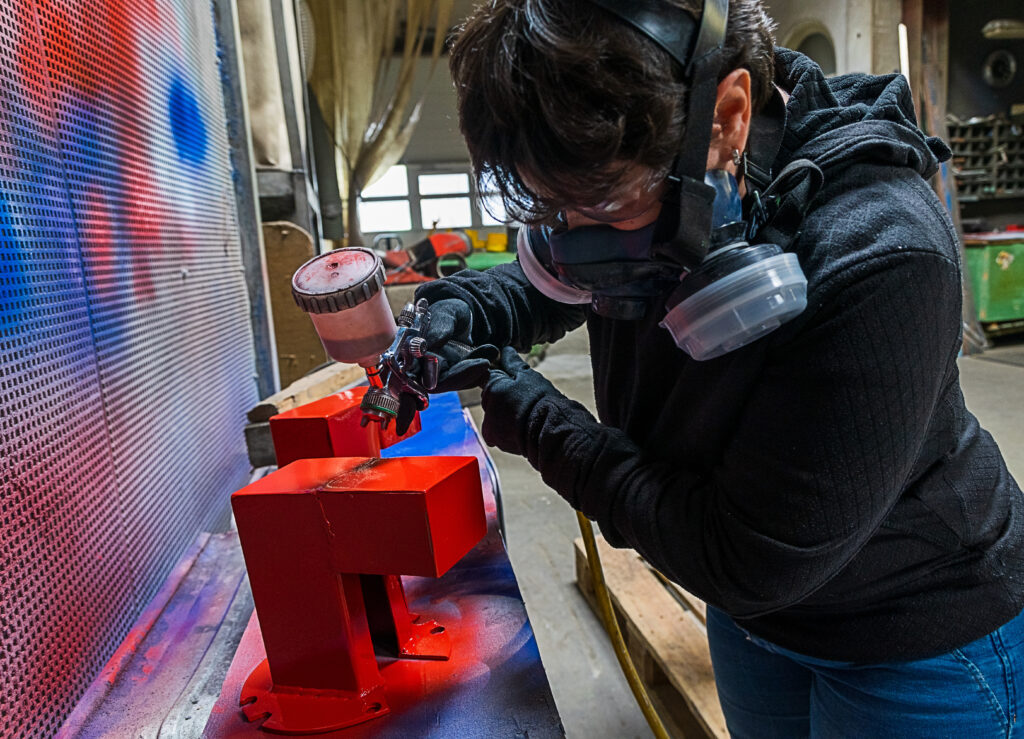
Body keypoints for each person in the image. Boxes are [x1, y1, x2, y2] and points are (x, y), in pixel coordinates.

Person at [411, 0, 1024, 735]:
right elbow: (576, 276)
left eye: (602, 203)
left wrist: (533, 414)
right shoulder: (674, 172)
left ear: (729, 113)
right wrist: (475, 308)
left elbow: (751, 558)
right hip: (758, 624)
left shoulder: (883, 250)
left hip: (913, 636)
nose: (573, 244)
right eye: (551, 210)